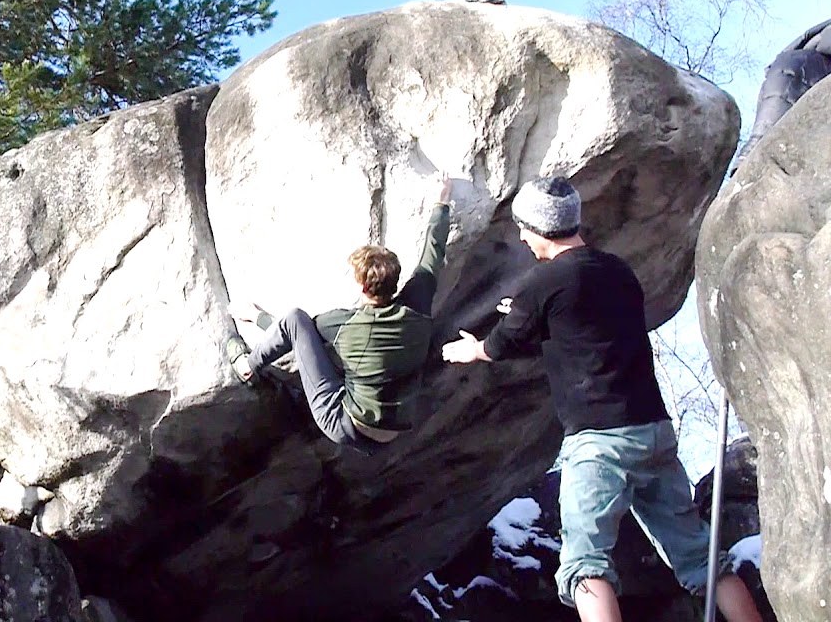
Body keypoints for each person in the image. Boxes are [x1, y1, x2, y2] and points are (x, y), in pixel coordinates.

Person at [440, 176, 762, 622]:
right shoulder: (617, 271)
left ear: (538, 227)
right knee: (698, 556)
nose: (520, 237)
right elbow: (585, 332)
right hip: (653, 431)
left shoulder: (545, 281)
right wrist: (531, 308)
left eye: (523, 228)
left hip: (598, 441)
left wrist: (470, 349)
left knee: (585, 566)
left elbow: (501, 344)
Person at [225, 174, 452, 456]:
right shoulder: (417, 303)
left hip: (343, 423)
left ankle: (247, 366)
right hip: (393, 433)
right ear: (395, 281)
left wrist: (257, 318)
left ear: (361, 285)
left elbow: (299, 335)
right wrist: (442, 201)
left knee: (296, 318)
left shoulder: (342, 324)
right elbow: (432, 254)